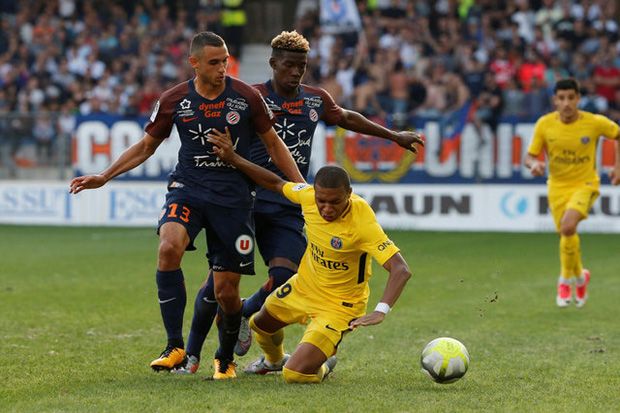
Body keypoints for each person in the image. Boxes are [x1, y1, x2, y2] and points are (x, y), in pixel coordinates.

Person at [177, 30, 423, 375]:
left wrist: (393, 135)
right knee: (218, 284)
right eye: (289, 66)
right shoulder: (249, 97)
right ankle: (190, 355)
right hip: (245, 200)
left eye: (302, 67)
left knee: (283, 274)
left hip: (287, 201)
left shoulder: (314, 99)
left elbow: (347, 117)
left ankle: (247, 315)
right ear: (273, 63)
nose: (296, 73)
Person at [69, 31, 304, 379]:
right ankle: (175, 346)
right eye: (214, 62)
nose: (222, 68)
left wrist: (301, 189)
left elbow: (273, 144)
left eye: (225, 60)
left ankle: (224, 358)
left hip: (233, 201)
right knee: (169, 246)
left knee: (226, 294)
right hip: (187, 188)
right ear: (194, 63)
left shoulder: (246, 98)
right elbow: (146, 147)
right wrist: (105, 176)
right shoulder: (174, 99)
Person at [207, 127, 413, 383]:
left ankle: (324, 364)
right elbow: (275, 182)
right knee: (259, 325)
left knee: (294, 374)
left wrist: (381, 310)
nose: (326, 208)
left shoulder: (361, 220)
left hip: (339, 306)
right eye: (321, 201)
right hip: (303, 288)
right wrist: (235, 158)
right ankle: (273, 361)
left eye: (334, 202)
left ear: (349, 195)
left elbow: (400, 269)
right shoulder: (307, 197)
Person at [524, 78, 620, 308]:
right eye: (561, 98)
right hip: (557, 186)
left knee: (568, 227)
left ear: (578, 99)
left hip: (585, 183)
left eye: (571, 98)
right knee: (566, 235)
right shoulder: (545, 124)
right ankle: (580, 275)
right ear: (555, 100)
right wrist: (534, 165)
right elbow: (530, 156)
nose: (566, 103)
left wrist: (618, 166)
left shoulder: (594, 122)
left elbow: (617, 134)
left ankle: (565, 280)